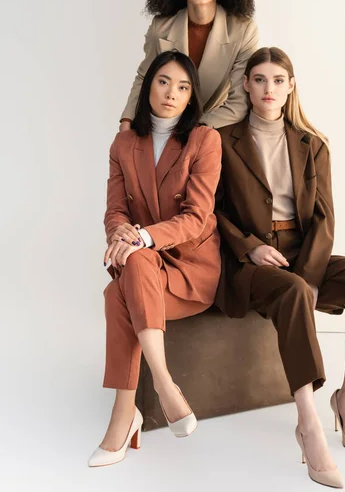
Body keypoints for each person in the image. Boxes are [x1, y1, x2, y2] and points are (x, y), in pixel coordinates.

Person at [215, 47, 345, 488]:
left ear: (291, 86)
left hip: (301, 250)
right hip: (249, 261)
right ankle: (308, 423)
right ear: (246, 86)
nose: (268, 88)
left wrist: (310, 275)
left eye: (277, 79)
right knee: (292, 291)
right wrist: (251, 246)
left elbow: (325, 219)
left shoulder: (312, 144)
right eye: (259, 79)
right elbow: (212, 212)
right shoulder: (222, 141)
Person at [89, 51, 222, 467]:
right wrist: (120, 233)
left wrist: (142, 236)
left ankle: (132, 409)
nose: (171, 93)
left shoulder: (204, 140)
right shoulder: (124, 143)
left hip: (190, 268)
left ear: (191, 98)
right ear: (148, 85)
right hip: (144, 266)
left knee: (123, 285)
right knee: (123, 286)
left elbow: (198, 218)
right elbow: (115, 210)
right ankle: (156, 394)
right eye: (164, 82)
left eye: (183, 87)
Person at [119, 0, 258, 132]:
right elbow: (144, 78)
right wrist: (127, 121)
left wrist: (195, 129)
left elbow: (239, 102)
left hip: (216, 129)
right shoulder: (161, 27)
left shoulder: (243, 30)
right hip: (166, 127)